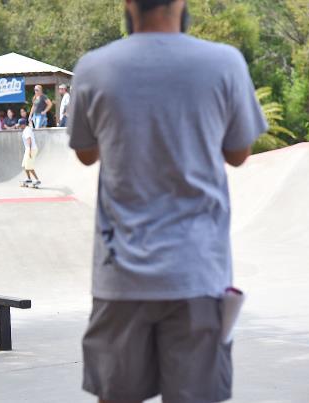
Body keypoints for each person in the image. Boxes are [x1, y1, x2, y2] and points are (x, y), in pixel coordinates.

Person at [68, 1, 267, 402]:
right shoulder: (224, 62)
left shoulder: (94, 66)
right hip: (197, 273)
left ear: (128, 5)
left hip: (120, 274)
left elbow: (86, 153)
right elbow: (239, 152)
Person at [19, 118, 40, 187]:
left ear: (23, 125)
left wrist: (30, 151)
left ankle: (37, 180)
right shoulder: (28, 128)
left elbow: (29, 140)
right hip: (28, 149)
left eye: (20, 125)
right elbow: (31, 125)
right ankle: (29, 178)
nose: (19, 127)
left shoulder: (26, 131)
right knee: (25, 165)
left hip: (31, 149)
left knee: (29, 166)